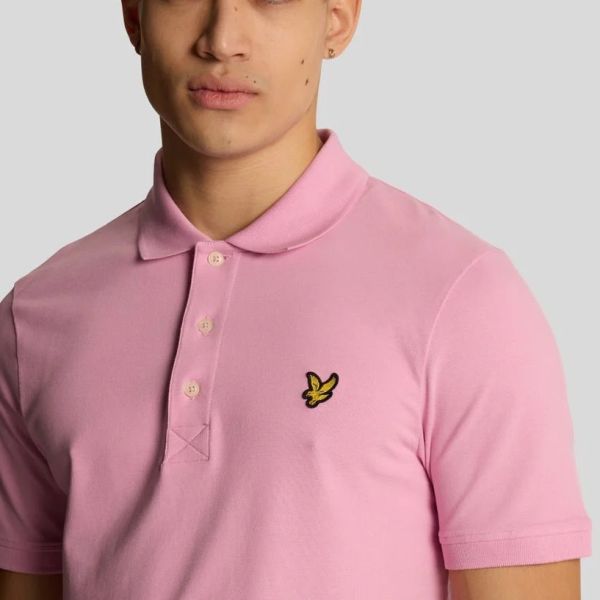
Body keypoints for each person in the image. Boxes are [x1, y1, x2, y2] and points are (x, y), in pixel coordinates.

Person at [0, 1, 592, 598]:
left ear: (337, 19)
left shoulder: (462, 295)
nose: (222, 39)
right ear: (135, 17)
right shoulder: (35, 316)